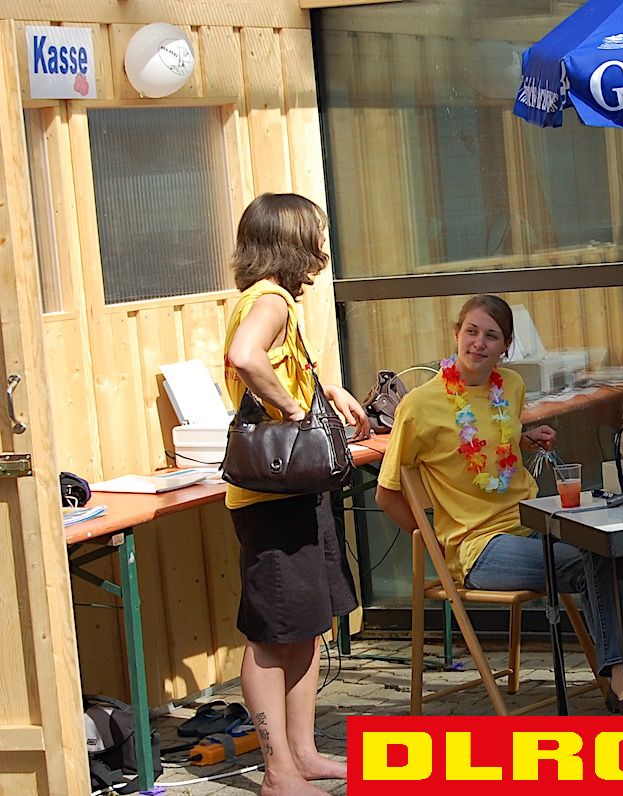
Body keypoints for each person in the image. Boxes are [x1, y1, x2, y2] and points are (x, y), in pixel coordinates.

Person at [374, 294, 623, 713]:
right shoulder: (419, 406)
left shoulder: (509, 387)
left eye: (491, 336)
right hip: (479, 546)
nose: (478, 343)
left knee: (608, 549)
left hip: (533, 521)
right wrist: (435, 546)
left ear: (506, 346)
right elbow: (386, 494)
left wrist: (525, 440)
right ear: (456, 334)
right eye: (471, 332)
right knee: (599, 560)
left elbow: (494, 439)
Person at [222, 193, 369, 796]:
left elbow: (273, 363)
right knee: (271, 634)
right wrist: (292, 411)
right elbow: (244, 356)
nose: (321, 247)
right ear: (292, 243)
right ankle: (278, 771)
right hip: (272, 501)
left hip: (295, 493)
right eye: (315, 235)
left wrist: (324, 390)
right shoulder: (272, 300)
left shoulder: (266, 300)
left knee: (307, 625)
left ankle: (304, 753)